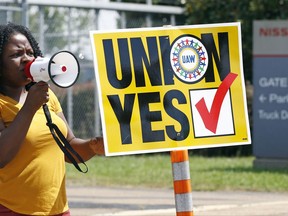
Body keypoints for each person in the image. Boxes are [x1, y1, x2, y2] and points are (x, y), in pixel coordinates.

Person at [0, 22, 105, 215]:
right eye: (16, 54)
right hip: (12, 209)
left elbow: (68, 147)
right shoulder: (10, 103)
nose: (26, 59)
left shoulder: (46, 97)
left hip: (57, 209)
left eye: (30, 53)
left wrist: (92, 146)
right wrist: (30, 108)